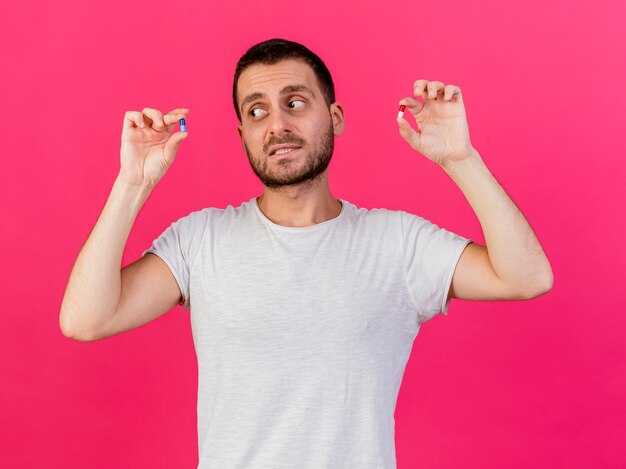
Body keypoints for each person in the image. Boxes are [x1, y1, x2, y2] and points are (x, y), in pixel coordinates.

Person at [60, 38, 553, 468]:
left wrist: (461, 159)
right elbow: (85, 320)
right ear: (243, 136)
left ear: (335, 118)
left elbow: (525, 277)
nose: (277, 124)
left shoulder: (396, 244)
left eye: (295, 102)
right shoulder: (201, 240)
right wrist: (132, 184)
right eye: (257, 111)